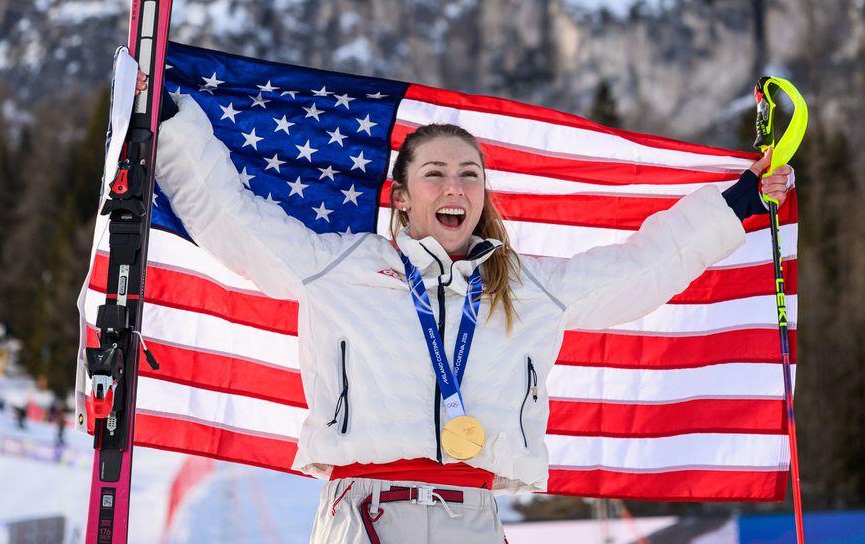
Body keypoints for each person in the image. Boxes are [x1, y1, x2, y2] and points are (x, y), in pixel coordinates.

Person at [136, 72, 791, 543]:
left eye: (469, 174)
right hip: (363, 513)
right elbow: (234, 218)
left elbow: (643, 267)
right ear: (401, 197)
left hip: (472, 518)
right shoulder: (340, 267)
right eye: (435, 174)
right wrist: (167, 122)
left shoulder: (528, 288)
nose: (455, 186)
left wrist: (738, 204)